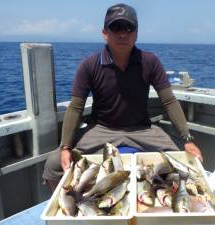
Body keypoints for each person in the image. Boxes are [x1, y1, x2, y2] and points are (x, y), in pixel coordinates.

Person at [42, 3, 202, 191]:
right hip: (102, 129)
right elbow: (76, 107)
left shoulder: (149, 61)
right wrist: (65, 147)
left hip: (142, 129)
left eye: (129, 28)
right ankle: (67, 206)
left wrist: (187, 140)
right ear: (104, 33)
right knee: (53, 165)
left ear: (136, 33)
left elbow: (169, 101)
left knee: (184, 160)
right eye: (116, 27)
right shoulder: (89, 65)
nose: (122, 34)